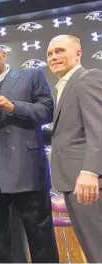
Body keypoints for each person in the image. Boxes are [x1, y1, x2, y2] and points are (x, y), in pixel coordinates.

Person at [0, 43, 59, 262]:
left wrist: (13, 107)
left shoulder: (31, 76)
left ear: (4, 54)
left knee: (40, 236)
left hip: (26, 168)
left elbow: (47, 111)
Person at [47, 34, 102, 262]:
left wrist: (90, 172)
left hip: (87, 183)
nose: (54, 57)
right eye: (50, 54)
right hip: (72, 184)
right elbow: (65, 135)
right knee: (92, 249)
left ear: (78, 53)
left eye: (60, 51)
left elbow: (98, 128)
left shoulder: (87, 78)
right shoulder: (65, 86)